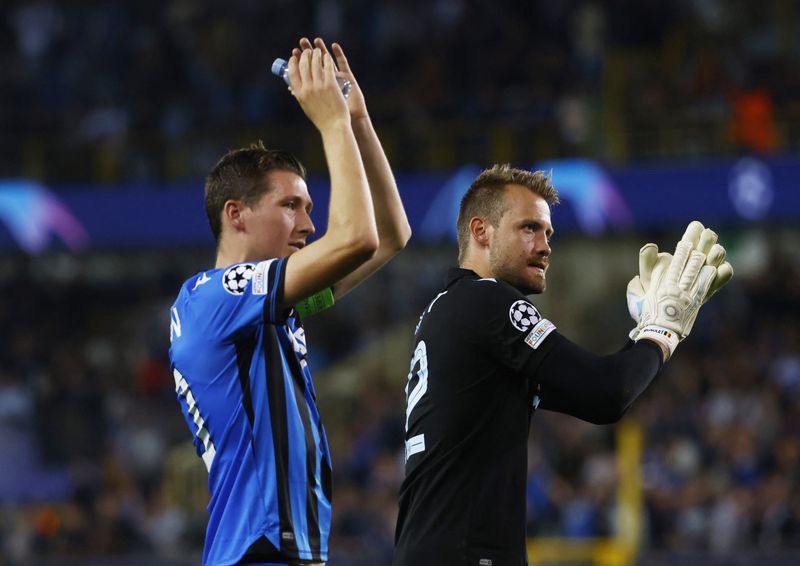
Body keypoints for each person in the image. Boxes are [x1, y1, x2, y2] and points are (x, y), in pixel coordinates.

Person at [393, 165, 733, 566]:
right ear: (481, 231)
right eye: (529, 229)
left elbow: (597, 394)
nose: (544, 245)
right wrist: (665, 326)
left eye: (548, 233)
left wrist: (646, 331)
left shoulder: (448, 311)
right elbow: (607, 394)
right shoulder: (488, 301)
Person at [169, 37, 411, 566]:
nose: (308, 224)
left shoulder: (272, 309)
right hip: (256, 552)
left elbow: (391, 235)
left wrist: (358, 121)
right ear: (236, 214)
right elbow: (356, 238)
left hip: (289, 552)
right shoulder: (211, 299)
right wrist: (329, 125)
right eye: (291, 206)